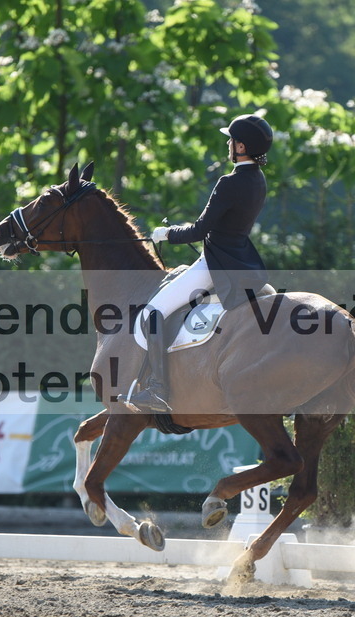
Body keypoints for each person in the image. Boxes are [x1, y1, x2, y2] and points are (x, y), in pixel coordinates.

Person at [120, 114, 273, 414]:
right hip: (243, 261)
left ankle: (158, 391)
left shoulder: (229, 182)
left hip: (215, 265)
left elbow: (201, 229)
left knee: (153, 312)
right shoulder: (258, 179)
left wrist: (168, 233)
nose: (228, 144)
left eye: (231, 140)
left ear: (241, 147)